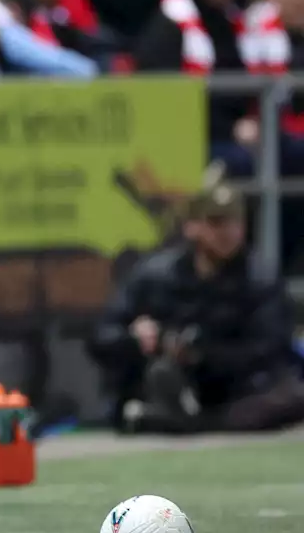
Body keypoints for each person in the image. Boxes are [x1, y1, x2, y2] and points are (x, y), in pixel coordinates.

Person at [93, 184, 304, 434]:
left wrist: (201, 355)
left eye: (236, 222)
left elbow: (269, 349)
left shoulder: (260, 279)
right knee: (157, 375)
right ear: (191, 226)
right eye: (216, 222)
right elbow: (101, 338)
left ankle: (187, 424)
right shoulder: (154, 276)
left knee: (287, 395)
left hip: (238, 390)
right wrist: (137, 339)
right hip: (174, 382)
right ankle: (176, 418)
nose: (228, 232)